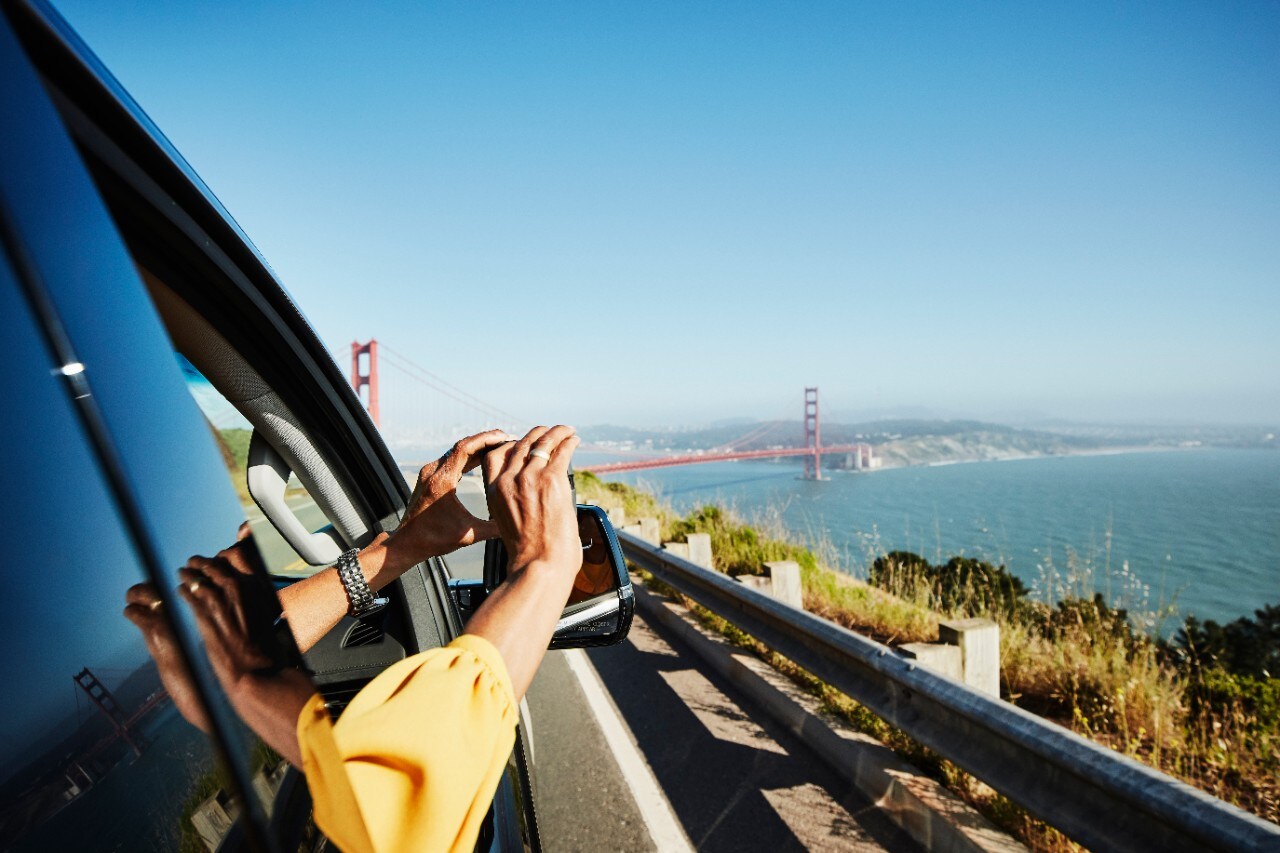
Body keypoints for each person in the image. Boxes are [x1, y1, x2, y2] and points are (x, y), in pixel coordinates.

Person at [125, 425, 582, 852]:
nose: (247, 532)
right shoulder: (241, 684)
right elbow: (401, 801)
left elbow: (221, 667)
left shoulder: (212, 678)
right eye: (236, 524)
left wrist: (406, 544)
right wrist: (544, 563)